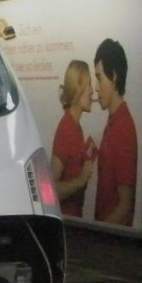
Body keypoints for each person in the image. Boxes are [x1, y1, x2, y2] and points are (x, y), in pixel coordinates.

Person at [93, 39, 138, 226]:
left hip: (113, 242)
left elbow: (124, 206)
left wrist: (99, 237)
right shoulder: (113, 122)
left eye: (99, 77)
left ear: (115, 77)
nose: (96, 87)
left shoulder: (123, 128)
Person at [51, 60, 95, 218]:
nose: (92, 91)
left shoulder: (76, 128)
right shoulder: (67, 129)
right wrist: (81, 179)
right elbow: (51, 190)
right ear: (78, 89)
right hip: (67, 224)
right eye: (89, 84)